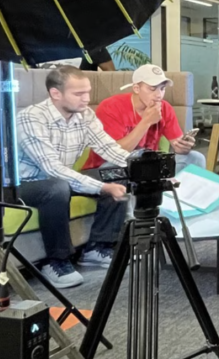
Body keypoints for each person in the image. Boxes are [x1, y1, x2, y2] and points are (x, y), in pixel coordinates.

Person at [17, 66, 130, 288]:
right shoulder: (31, 117)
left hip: (62, 178)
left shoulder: (85, 115)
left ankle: (97, 248)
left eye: (87, 92)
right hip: (25, 184)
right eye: (78, 94)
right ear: (55, 93)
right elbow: (52, 168)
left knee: (116, 173)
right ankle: (56, 261)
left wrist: (148, 169)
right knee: (57, 187)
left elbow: (110, 149)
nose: (86, 99)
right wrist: (102, 188)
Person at [83, 64, 204, 172]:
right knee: (115, 167)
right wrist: (146, 122)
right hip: (107, 167)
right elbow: (114, 154)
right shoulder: (110, 107)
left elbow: (178, 147)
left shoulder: (165, 108)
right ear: (136, 88)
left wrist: (184, 147)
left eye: (162, 88)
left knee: (196, 158)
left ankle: (168, 188)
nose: (159, 95)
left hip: (146, 166)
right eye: (152, 89)